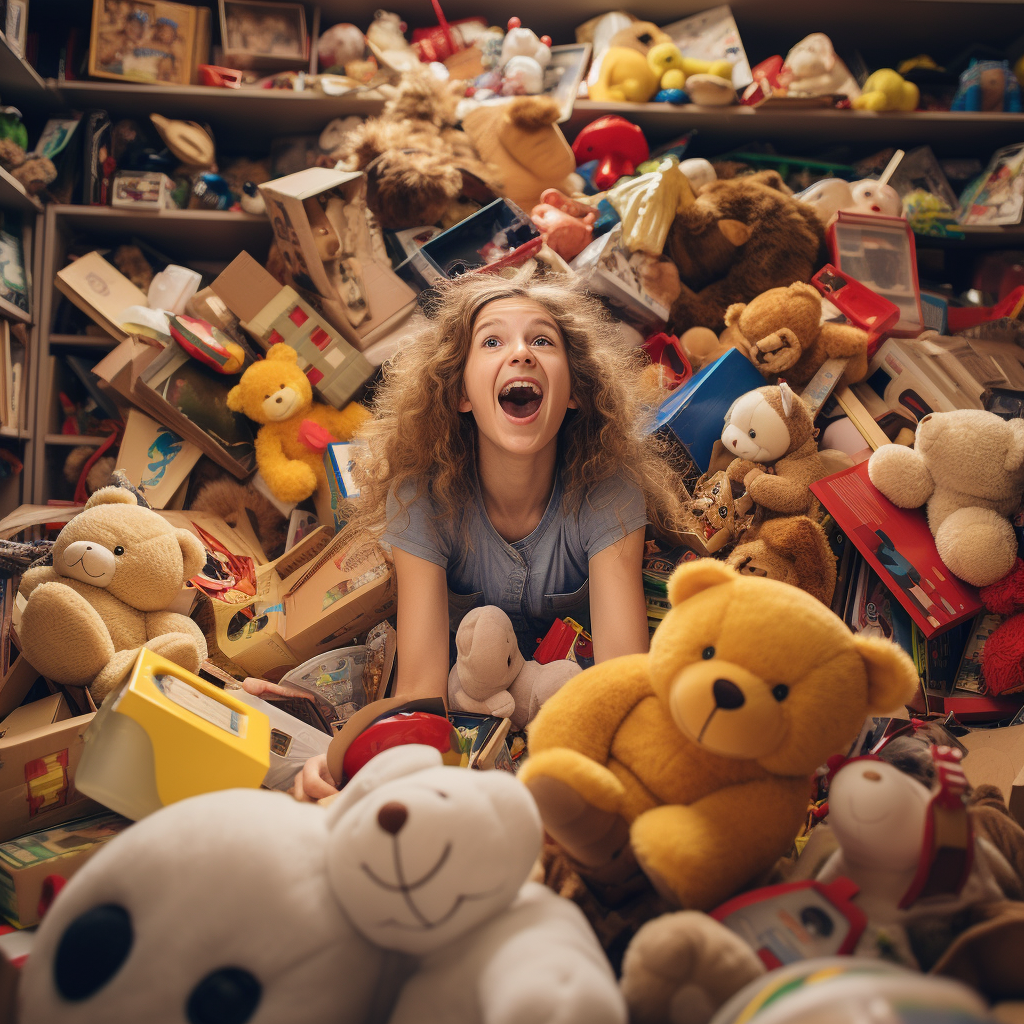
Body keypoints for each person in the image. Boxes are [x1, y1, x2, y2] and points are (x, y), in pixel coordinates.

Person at [287, 269, 690, 800]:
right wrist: (338, 759)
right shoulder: (420, 497)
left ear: (574, 393)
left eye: (542, 340)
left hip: (569, 705)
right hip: (465, 705)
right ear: (460, 394)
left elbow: (623, 678)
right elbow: (421, 692)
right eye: (493, 340)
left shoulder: (608, 488)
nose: (521, 353)